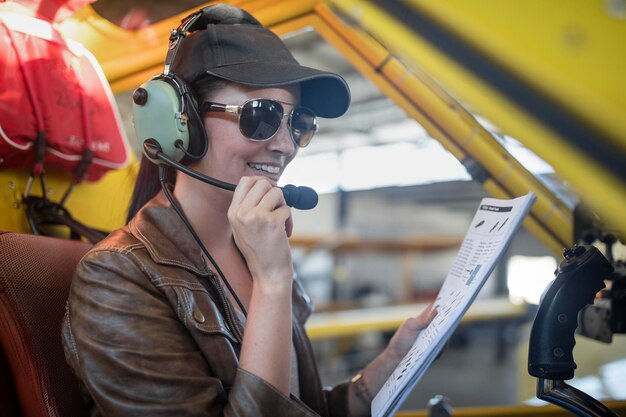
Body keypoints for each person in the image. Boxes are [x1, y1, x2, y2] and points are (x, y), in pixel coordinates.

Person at [62, 4, 436, 417]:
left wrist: (385, 369)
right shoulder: (116, 279)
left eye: (298, 124)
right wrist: (273, 281)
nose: (286, 145)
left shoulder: (255, 251)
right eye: (261, 116)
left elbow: (300, 406)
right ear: (179, 123)